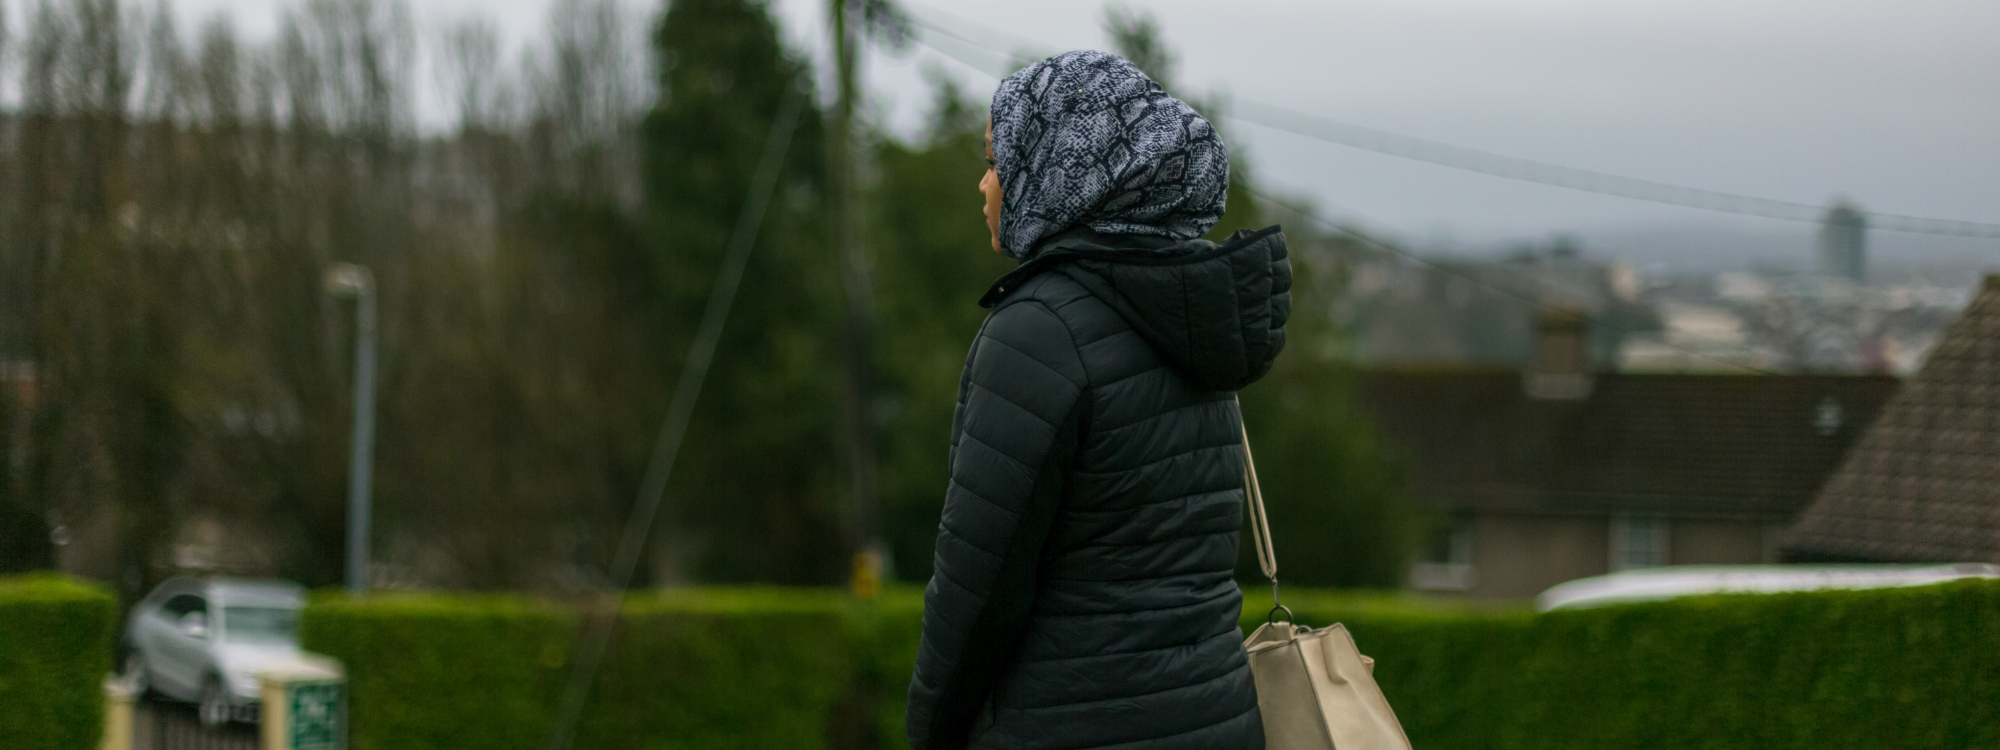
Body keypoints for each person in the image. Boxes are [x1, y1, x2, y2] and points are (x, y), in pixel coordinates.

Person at [905, 50, 1291, 750]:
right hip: (1215, 721)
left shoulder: (1040, 330)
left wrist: (931, 729)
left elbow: (979, 588)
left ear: (1059, 168)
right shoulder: (1191, 314)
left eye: (999, 160)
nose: (984, 185)